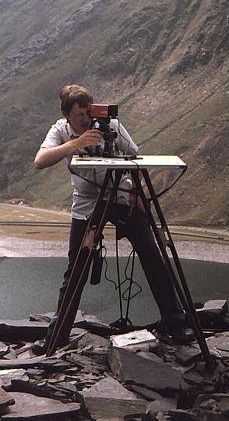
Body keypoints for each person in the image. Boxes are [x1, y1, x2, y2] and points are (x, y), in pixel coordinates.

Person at [34, 84, 193, 351]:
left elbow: (133, 156)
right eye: (79, 116)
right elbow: (40, 160)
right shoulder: (60, 130)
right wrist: (76, 143)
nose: (85, 120)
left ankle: (177, 324)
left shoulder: (111, 125)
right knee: (76, 270)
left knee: (153, 257)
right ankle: (56, 338)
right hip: (87, 204)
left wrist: (136, 197)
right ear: (66, 116)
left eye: (87, 113)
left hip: (120, 197)